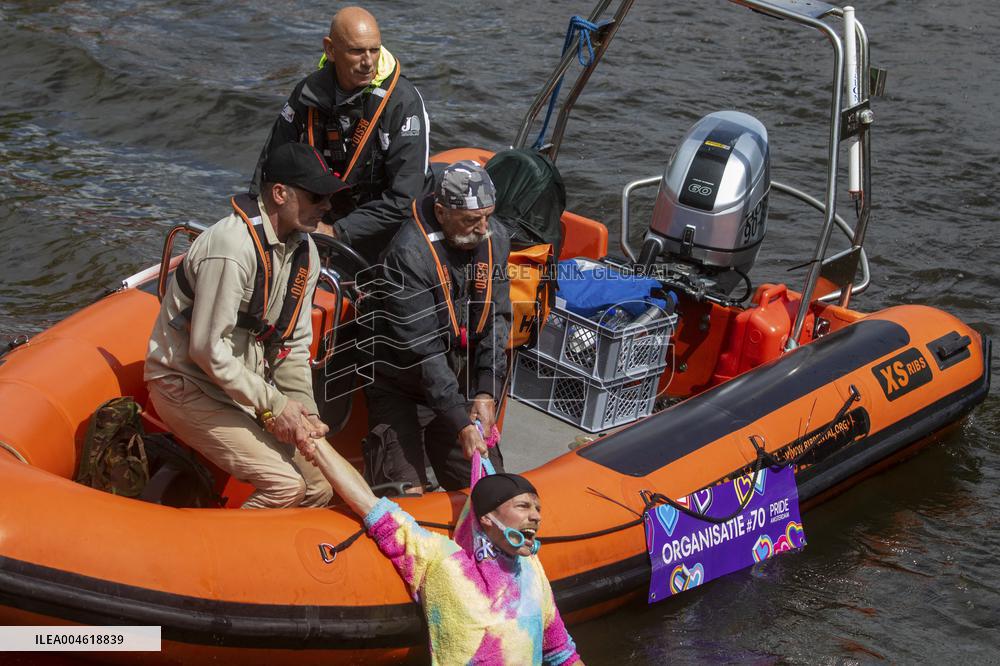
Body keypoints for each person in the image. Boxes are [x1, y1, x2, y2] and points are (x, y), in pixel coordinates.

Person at [145, 142, 347, 509]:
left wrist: (306, 413)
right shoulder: (231, 247)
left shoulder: (306, 254)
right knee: (286, 486)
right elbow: (207, 348)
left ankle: (271, 545)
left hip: (238, 390)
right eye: (317, 196)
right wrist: (274, 403)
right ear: (280, 194)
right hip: (187, 385)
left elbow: (293, 346)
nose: (327, 206)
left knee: (320, 486)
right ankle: (210, 545)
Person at [297, 434, 584, 665]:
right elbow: (371, 507)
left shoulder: (531, 568)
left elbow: (560, 650)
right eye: (523, 506)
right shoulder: (444, 561)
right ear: (487, 518)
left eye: (537, 509)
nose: (536, 516)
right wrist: (316, 443)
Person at [361, 160, 511, 492]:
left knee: (494, 491)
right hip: (402, 386)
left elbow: (497, 318)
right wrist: (459, 422)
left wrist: (487, 389)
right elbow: (423, 351)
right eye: (471, 220)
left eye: (488, 216)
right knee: (405, 502)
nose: (482, 228)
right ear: (441, 213)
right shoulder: (407, 255)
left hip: (457, 382)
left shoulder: (495, 238)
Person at [253, 6, 432, 262]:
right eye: (356, 51)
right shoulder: (307, 92)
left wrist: (337, 232)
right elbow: (271, 164)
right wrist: (254, 217)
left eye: (374, 50)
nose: (368, 62)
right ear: (330, 49)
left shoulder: (403, 102)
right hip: (327, 210)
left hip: (386, 221)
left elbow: (405, 197)